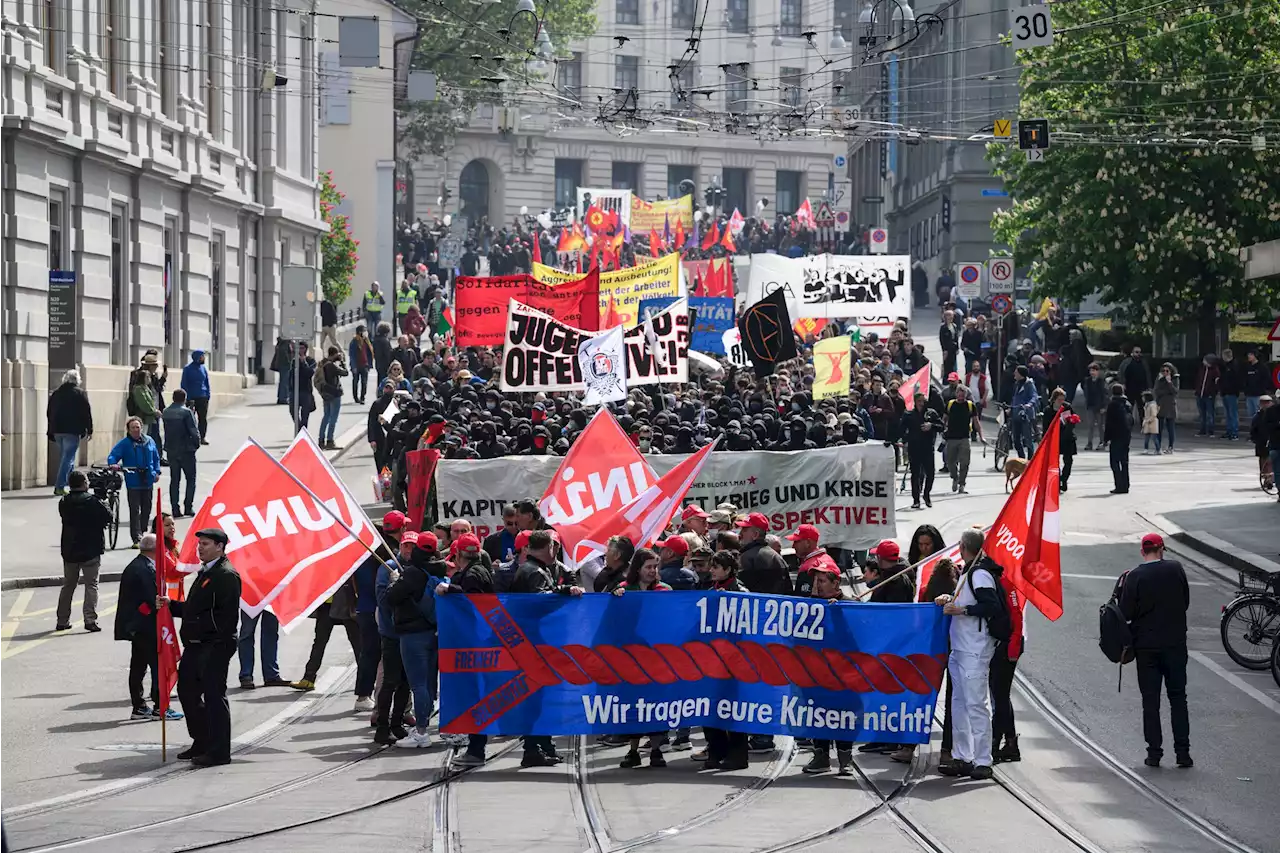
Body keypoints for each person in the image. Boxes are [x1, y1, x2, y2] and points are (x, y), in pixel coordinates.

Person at [159, 528, 242, 767]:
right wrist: (170, 606)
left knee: (215, 697)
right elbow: (193, 608)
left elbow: (225, 618)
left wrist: (204, 632)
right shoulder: (206, 571)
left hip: (214, 645)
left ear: (220, 546)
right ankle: (202, 740)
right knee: (187, 693)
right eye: (199, 544)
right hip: (196, 645)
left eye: (205, 544)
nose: (200, 548)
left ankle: (219, 751)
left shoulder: (225, 575)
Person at [510, 529, 584, 766]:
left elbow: (562, 580)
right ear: (549, 547)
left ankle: (540, 745)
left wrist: (565, 585)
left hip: (535, 643)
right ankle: (532, 748)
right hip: (535, 644)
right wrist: (562, 591)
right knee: (536, 697)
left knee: (540, 697)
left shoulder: (536, 569)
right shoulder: (533, 572)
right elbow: (539, 603)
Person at [1118, 533, 1192, 768]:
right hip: (1175, 644)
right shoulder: (1176, 569)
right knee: (1178, 698)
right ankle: (1183, 753)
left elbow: (1125, 613)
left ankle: (1154, 753)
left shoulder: (1135, 576)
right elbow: (1185, 601)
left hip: (1147, 648)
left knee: (1150, 701)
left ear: (1143, 552)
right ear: (1162, 550)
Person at [935, 529, 1003, 781]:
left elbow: (991, 606)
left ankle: (983, 759)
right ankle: (962, 756)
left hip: (975, 649)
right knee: (959, 704)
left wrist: (961, 610)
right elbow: (970, 600)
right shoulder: (969, 572)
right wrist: (949, 599)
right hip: (961, 648)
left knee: (975, 704)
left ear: (963, 546)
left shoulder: (980, 574)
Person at [435, 532, 497, 766]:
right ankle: (475, 746)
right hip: (477, 643)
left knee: (474, 697)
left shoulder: (472, 575)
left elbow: (475, 603)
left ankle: (476, 749)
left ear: (459, 554)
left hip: (474, 645)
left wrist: (450, 590)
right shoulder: (480, 571)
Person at [386, 531, 450, 748]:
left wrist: (394, 582)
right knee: (430, 682)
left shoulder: (413, 573)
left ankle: (421, 730)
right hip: (435, 631)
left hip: (413, 634)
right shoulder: (441, 568)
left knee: (418, 684)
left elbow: (391, 598)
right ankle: (425, 723)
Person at [612, 547, 673, 769]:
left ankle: (656, 749)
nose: (652, 571)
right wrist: (616, 599)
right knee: (634, 705)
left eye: (655, 566)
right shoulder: (624, 590)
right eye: (648, 567)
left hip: (658, 659)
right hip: (632, 660)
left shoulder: (665, 590)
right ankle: (633, 750)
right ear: (637, 569)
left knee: (657, 705)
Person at [115, 533, 184, 721]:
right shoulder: (144, 569)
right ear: (156, 550)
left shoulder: (140, 565)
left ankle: (139, 706)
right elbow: (152, 599)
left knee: (138, 665)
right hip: (146, 625)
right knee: (157, 665)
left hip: (137, 625)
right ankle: (159, 706)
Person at [696, 550, 751, 769]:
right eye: (711, 566)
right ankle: (716, 751)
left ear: (728, 570)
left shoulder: (741, 593)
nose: (711, 570)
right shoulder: (710, 592)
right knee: (709, 707)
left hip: (734, 661)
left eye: (716, 567)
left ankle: (738, 754)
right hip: (712, 659)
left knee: (734, 708)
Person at [802, 561, 854, 775]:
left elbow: (860, 637)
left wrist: (840, 613)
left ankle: (845, 758)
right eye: (816, 580)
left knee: (843, 714)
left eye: (822, 580)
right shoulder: (809, 605)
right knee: (817, 712)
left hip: (843, 673)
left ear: (836, 583)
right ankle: (821, 755)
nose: (818, 584)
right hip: (816, 671)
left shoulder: (850, 605)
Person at [56, 469, 113, 632]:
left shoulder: (64, 501)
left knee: (68, 585)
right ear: (84, 484)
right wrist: (103, 499)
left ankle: (62, 620)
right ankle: (90, 619)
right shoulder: (93, 501)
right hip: (91, 549)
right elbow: (109, 517)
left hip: (70, 549)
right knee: (91, 585)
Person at [107, 416, 163, 546]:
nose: (136, 430)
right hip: (133, 481)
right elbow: (113, 455)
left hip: (148, 479)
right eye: (133, 428)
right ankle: (136, 537)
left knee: (146, 509)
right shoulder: (125, 443)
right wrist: (113, 464)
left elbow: (156, 458)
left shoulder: (149, 441)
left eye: (137, 427)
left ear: (141, 427)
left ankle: (142, 531)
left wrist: (157, 472)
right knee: (134, 510)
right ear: (129, 430)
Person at [47, 369, 93, 495]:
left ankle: (73, 485)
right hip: (72, 430)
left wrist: (50, 429)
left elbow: (49, 412)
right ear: (77, 380)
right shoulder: (79, 393)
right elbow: (86, 412)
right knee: (68, 458)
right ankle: (60, 486)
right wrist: (89, 429)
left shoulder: (56, 393)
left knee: (66, 457)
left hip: (58, 430)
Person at [162, 389, 201, 517]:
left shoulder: (166, 412)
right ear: (184, 398)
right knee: (190, 479)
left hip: (171, 449)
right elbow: (193, 430)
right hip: (186, 449)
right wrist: (196, 444)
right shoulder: (186, 412)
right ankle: (188, 507)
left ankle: (175, 508)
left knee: (175, 480)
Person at [735, 512, 792, 594]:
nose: (740, 533)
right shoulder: (778, 558)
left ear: (755, 534)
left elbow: (741, 593)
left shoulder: (746, 558)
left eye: (744, 529)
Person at [903, 393, 942, 509]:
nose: (921, 403)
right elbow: (901, 429)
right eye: (919, 401)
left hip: (927, 448)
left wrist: (932, 425)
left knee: (930, 473)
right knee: (915, 474)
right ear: (915, 402)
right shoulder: (909, 414)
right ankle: (916, 499)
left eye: (923, 401)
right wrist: (898, 440)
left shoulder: (931, 413)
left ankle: (926, 494)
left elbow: (942, 426)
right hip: (914, 448)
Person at [943, 386, 981, 494]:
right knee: (950, 462)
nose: (961, 396)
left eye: (963, 394)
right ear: (956, 394)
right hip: (951, 438)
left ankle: (961, 484)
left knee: (964, 463)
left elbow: (976, 422)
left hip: (965, 437)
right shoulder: (950, 405)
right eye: (959, 394)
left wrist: (981, 435)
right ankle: (955, 477)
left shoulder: (970, 406)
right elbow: (944, 419)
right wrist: (941, 430)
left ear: (966, 395)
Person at [787, 524, 838, 597]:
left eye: (796, 541)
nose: (793, 546)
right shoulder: (828, 559)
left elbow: (801, 600)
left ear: (808, 543)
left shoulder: (809, 567)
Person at [1045, 389, 1078, 492]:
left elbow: (1073, 419)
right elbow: (1046, 426)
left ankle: (1064, 479)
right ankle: (1058, 480)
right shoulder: (1048, 410)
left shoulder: (1067, 407)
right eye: (1059, 399)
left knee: (1068, 461)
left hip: (1067, 438)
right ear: (1054, 399)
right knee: (1055, 462)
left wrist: (1071, 423)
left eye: (1063, 399)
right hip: (1055, 438)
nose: (1061, 401)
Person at [317, 346, 349, 450]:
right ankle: (330, 441)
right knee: (333, 418)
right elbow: (345, 372)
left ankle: (321, 440)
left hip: (325, 393)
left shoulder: (323, 363)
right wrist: (342, 361)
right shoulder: (332, 366)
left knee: (326, 417)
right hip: (334, 394)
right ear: (335, 354)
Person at [1104, 383, 1133, 494]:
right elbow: (1131, 420)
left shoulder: (1113, 405)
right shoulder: (1127, 404)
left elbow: (1109, 423)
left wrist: (1106, 438)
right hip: (1126, 435)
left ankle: (1119, 485)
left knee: (1114, 462)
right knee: (1124, 461)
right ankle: (1125, 485)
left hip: (1116, 436)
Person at [180, 350, 211, 445]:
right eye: (202, 356)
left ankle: (202, 437)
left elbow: (206, 382)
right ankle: (190, 436)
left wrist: (208, 394)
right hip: (192, 397)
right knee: (190, 418)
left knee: (203, 418)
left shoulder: (203, 368)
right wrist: (187, 397)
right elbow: (184, 383)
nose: (204, 358)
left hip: (203, 396)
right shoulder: (187, 369)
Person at [1010, 365, 1039, 459]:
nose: (1014, 374)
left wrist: (1029, 405)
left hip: (1025, 414)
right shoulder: (1016, 384)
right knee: (1016, 440)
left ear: (1021, 374)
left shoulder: (1029, 384)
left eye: (1016, 372)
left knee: (1028, 439)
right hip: (1015, 413)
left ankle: (1030, 460)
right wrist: (1010, 408)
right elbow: (1015, 398)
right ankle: (1021, 460)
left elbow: (1034, 396)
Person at [290, 343, 318, 430]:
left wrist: (304, 362)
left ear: (306, 349)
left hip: (306, 390)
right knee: (293, 411)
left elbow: (309, 373)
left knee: (305, 414)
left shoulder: (311, 361)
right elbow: (291, 375)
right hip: (295, 391)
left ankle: (303, 433)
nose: (300, 350)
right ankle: (299, 429)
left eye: (302, 348)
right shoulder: (294, 361)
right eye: (298, 348)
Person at [1250, 395, 1275, 488]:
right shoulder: (1257, 416)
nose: (1266, 405)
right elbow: (1253, 430)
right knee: (1263, 463)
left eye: (1268, 402)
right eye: (1264, 403)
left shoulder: (1274, 414)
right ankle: (1267, 479)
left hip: (1273, 442)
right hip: (1261, 443)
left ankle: (1270, 480)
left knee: (1271, 462)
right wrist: (1256, 440)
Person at [1081, 362, 1107, 451]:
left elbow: (1105, 395)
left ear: (1098, 371)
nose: (1092, 372)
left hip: (1099, 406)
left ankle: (1102, 442)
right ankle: (1089, 443)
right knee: (1090, 425)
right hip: (1090, 405)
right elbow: (1086, 392)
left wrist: (1104, 406)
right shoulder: (1087, 381)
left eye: (1094, 371)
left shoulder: (1101, 381)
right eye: (1091, 371)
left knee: (1100, 425)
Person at [1193, 352, 1220, 437]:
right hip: (1200, 394)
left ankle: (1211, 430)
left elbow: (1216, 383)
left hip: (1209, 395)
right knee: (1202, 413)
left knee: (1210, 413)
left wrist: (1213, 393)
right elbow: (1198, 380)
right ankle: (1203, 429)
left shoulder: (1215, 371)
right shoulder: (1202, 369)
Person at [1153, 363, 1178, 454]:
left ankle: (1171, 446)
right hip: (1161, 404)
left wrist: (1169, 382)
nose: (1165, 373)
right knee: (1159, 427)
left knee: (1170, 427)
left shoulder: (1174, 379)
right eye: (1163, 371)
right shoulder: (1159, 379)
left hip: (1170, 405)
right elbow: (1157, 391)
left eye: (1167, 371)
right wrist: (1166, 391)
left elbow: (1175, 391)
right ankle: (1158, 447)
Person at [348, 325, 375, 404]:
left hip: (365, 365)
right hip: (356, 365)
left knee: (364, 382)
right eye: (364, 331)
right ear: (360, 332)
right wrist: (353, 367)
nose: (365, 333)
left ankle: (362, 397)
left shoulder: (367, 341)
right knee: (355, 381)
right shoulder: (354, 342)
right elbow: (352, 355)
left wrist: (369, 364)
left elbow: (369, 353)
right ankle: (356, 397)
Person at [1242, 350, 1269, 420]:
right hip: (1249, 394)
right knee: (1251, 415)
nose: (1249, 356)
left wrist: (1262, 390)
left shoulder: (1262, 367)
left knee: (1259, 414)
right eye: (1248, 354)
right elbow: (1245, 379)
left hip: (1258, 395)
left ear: (1255, 356)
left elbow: (1266, 379)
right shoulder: (1247, 367)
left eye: (1250, 354)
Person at [271, 338, 294, 405]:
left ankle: (281, 397)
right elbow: (285, 355)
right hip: (285, 365)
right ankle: (283, 398)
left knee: (283, 381)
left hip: (283, 364)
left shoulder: (283, 343)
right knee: (285, 382)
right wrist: (289, 362)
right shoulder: (285, 343)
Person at [1140, 390, 1161, 455]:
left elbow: (1154, 414)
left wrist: (1148, 420)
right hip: (1147, 422)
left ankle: (1158, 449)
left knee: (1154, 438)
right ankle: (1146, 449)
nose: (1142, 398)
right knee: (1146, 437)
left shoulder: (1152, 405)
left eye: (1143, 397)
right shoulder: (1147, 405)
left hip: (1152, 423)